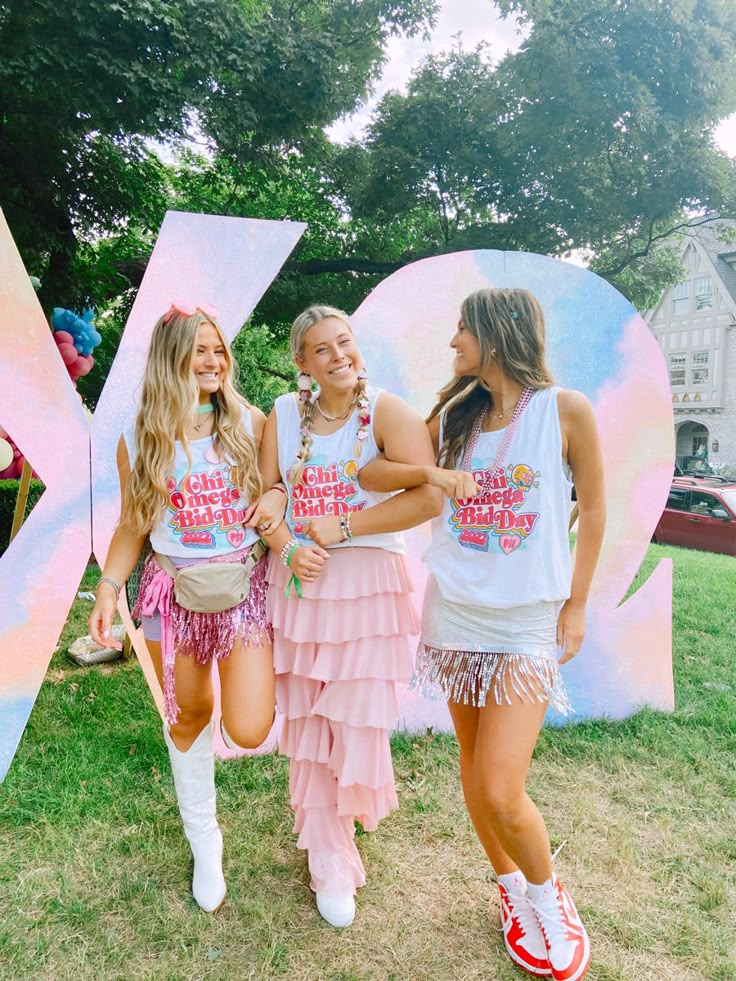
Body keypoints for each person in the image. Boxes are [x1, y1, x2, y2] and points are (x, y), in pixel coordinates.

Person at [358, 288, 605, 980]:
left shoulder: (565, 411)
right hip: (456, 616)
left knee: (501, 786)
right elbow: (371, 471)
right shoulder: (454, 417)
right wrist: (431, 470)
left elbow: (597, 513)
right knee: (473, 766)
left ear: (496, 333)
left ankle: (548, 894)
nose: (453, 340)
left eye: (462, 328)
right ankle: (511, 891)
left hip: (525, 621)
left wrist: (577, 604)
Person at [89, 303, 284, 913]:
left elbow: (281, 488)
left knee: (249, 728)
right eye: (199, 349)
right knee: (189, 714)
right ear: (170, 358)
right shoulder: (138, 436)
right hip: (171, 598)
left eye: (218, 349)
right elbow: (134, 523)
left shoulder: (250, 422)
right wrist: (107, 585)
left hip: (243, 594)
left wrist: (276, 496)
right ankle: (205, 839)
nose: (213, 360)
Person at [253, 304, 441, 929]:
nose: (339, 357)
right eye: (322, 349)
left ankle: (345, 831)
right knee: (308, 721)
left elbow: (429, 495)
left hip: (367, 584)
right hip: (301, 582)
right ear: (301, 363)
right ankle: (328, 857)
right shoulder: (282, 414)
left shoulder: (387, 410)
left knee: (356, 723)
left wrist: (346, 526)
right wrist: (289, 546)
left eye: (345, 343)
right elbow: (266, 499)